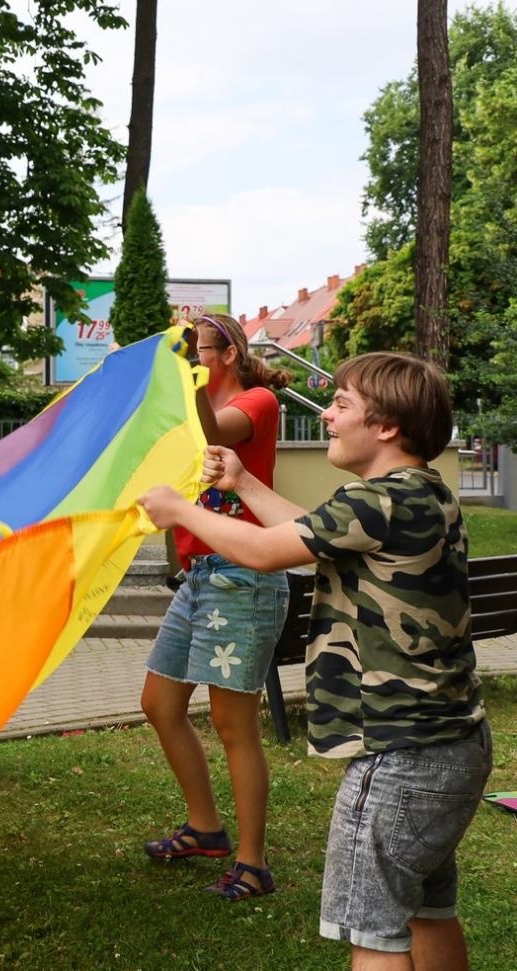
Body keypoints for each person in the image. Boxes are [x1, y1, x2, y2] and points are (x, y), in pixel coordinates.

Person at [140, 352, 491, 968]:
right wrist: (243, 483)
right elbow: (313, 534)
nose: (326, 414)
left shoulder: (374, 503)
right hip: (453, 745)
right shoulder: (421, 493)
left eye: (342, 405)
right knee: (424, 911)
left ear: (385, 427)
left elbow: (264, 550)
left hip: (397, 758)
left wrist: (179, 511)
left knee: (374, 936)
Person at [137, 313, 291, 901]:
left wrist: (188, 382)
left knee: (232, 723)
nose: (190, 359)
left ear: (226, 354)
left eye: (196, 350)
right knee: (159, 703)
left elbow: (214, 434)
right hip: (200, 576)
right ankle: (206, 828)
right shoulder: (189, 405)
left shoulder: (257, 402)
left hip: (243, 576)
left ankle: (253, 864)